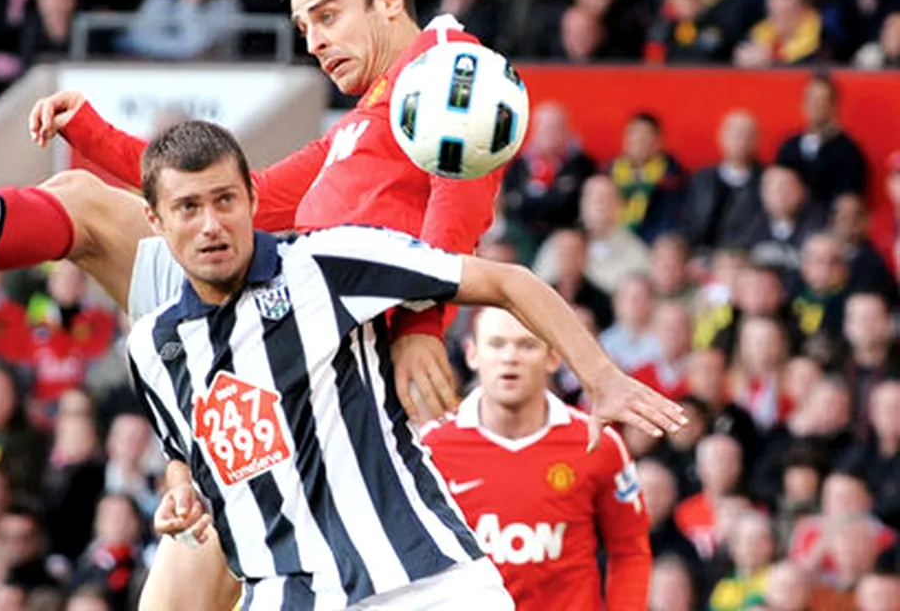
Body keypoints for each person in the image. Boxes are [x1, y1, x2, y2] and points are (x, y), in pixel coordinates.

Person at [0, 0, 685, 611]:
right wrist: (101, 134)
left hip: (315, 329)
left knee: (81, 214)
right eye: (302, 25)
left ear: (390, 0)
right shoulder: (361, 119)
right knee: (84, 203)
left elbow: (461, 193)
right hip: (259, 328)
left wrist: (425, 329)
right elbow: (248, 198)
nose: (314, 40)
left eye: (326, 15)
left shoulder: (444, 71)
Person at [121, 120, 676, 608]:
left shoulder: (326, 262)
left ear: (251, 199)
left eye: (225, 200)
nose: (212, 224)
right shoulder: (152, 348)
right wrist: (181, 487)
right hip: (283, 595)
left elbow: (508, 282)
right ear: (154, 219)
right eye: (188, 208)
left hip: (427, 583)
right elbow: (184, 450)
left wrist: (601, 378)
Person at [422, 307, 653, 610]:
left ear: (553, 358)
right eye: (496, 344)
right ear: (472, 354)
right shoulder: (429, 448)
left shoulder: (599, 443)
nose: (510, 357)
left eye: (527, 345)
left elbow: (630, 551)